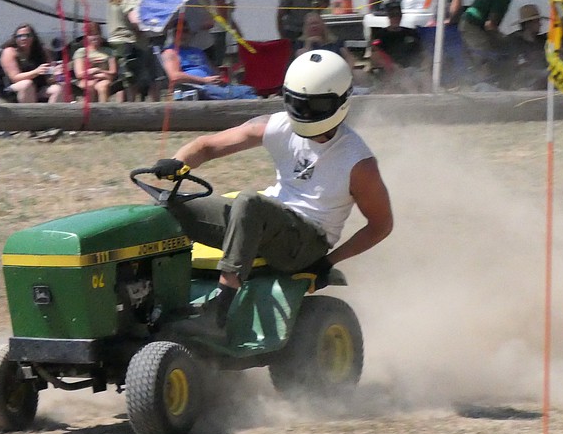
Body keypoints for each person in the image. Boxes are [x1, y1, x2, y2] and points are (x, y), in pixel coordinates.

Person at [149, 49, 393, 337]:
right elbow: (207, 146)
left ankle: (218, 314)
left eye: (313, 106)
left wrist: (327, 263)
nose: (303, 113)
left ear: (339, 102)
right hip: (269, 223)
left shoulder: (358, 163)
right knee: (170, 207)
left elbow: (381, 225)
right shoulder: (279, 126)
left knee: (250, 202)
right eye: (297, 103)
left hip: (306, 242)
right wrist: (178, 163)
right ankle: (152, 301)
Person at [158, 14, 258, 100]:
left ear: (190, 33)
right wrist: (205, 80)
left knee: (248, 90)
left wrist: (219, 77)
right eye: (178, 31)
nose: (182, 34)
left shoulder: (198, 51)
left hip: (212, 85)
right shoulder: (170, 52)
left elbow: (214, 71)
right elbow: (175, 77)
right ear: (173, 34)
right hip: (195, 87)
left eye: (185, 31)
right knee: (242, 95)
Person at [459, 0, 532, 80]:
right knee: (483, 54)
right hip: (471, 26)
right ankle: (481, 84)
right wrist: (503, 39)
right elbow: (490, 25)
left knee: (493, 49)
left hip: (476, 25)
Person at [107, 0, 156, 101]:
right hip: (130, 44)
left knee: (123, 82)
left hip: (115, 43)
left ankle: (121, 112)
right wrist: (146, 27)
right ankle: (130, 111)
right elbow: (135, 20)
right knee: (131, 82)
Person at [370, 0, 424, 93]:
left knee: (425, 79)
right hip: (392, 72)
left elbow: (423, 52)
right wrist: (391, 65)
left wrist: (426, 64)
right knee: (408, 83)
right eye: (392, 15)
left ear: (401, 15)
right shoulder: (381, 35)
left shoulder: (411, 33)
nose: (395, 18)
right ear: (388, 16)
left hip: (413, 69)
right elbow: (375, 56)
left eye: (398, 14)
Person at [0, 23, 60, 104]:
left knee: (57, 89)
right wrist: (36, 72)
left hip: (38, 88)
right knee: (27, 84)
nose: (23, 38)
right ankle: (30, 115)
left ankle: (52, 115)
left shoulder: (42, 51)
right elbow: (15, 78)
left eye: (27, 35)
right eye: (19, 36)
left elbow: (50, 75)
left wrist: (54, 75)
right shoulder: (9, 52)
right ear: (15, 38)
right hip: (14, 89)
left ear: (33, 37)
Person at [501, 4, 549, 90]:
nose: (540, 24)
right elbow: (517, 67)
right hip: (522, 82)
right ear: (528, 24)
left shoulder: (542, 40)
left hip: (541, 80)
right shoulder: (514, 41)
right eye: (537, 21)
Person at [73, 22, 121, 103]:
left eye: (97, 34)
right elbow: (79, 74)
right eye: (91, 35)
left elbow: (113, 71)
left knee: (102, 87)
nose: (95, 37)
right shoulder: (81, 52)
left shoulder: (109, 51)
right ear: (86, 37)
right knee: (90, 85)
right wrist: (93, 73)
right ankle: (90, 111)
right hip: (87, 79)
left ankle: (103, 112)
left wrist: (98, 71)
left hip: (105, 78)